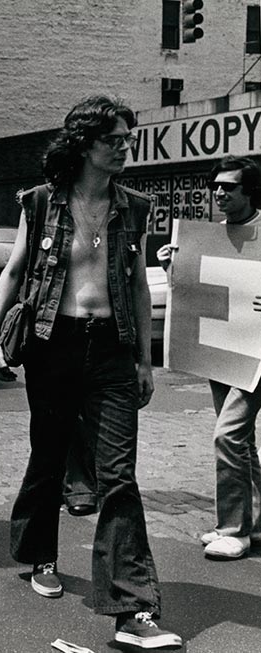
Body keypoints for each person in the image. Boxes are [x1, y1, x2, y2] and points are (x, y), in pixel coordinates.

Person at [0, 96, 182, 649]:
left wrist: (145, 359)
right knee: (48, 456)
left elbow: (139, 286)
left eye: (127, 139)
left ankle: (134, 611)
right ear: (84, 144)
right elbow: (16, 270)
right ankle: (40, 553)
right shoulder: (42, 202)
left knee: (117, 476)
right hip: (53, 343)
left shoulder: (135, 206)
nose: (124, 148)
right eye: (113, 139)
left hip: (113, 350)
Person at [157, 155, 261, 561]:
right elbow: (196, 293)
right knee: (241, 440)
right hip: (221, 347)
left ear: (250, 191)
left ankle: (235, 531)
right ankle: (254, 518)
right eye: (216, 186)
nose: (219, 193)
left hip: (257, 352)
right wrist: (174, 266)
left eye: (229, 187)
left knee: (228, 435)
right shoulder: (210, 237)